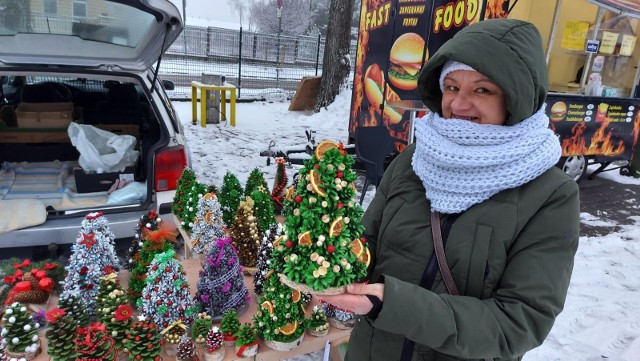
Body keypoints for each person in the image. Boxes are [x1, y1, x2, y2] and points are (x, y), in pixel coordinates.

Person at [321, 19, 580, 361]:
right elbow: (363, 245)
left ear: (516, 98)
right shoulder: (414, 159)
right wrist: (320, 257)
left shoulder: (550, 195)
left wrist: (394, 304)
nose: (458, 105)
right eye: (452, 87)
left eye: (482, 90)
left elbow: (521, 321)